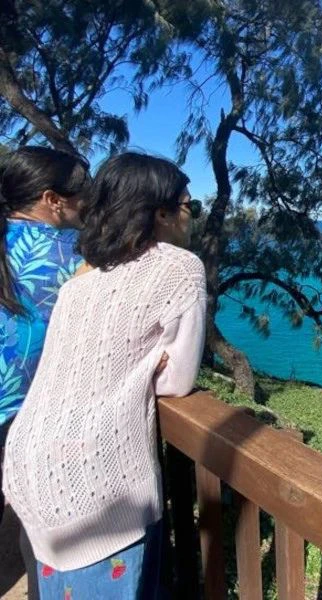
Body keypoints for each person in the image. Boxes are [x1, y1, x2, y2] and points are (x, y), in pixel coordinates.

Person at [2, 152, 206, 599]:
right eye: (190, 205)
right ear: (162, 213)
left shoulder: (82, 279)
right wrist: (148, 366)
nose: (193, 215)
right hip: (96, 479)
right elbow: (177, 382)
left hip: (29, 460)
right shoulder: (180, 267)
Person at [0, 146, 90, 523]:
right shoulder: (74, 254)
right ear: (52, 199)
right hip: (22, 421)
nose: (89, 201)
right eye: (84, 191)